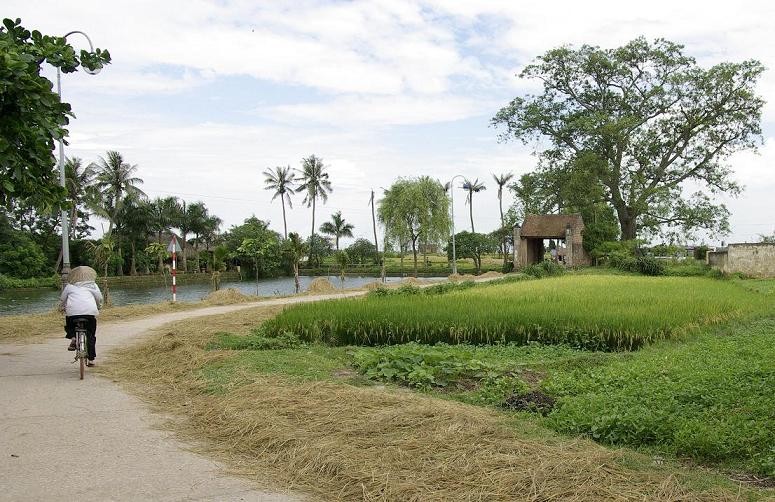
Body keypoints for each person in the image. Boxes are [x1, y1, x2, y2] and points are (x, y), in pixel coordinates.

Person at [61, 278, 103, 367]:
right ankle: (91, 360)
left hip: (73, 314)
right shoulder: (92, 285)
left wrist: (62, 307)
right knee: (91, 335)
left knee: (69, 324)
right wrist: (99, 306)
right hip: (90, 313)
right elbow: (99, 298)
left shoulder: (69, 286)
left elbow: (62, 299)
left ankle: (73, 337)